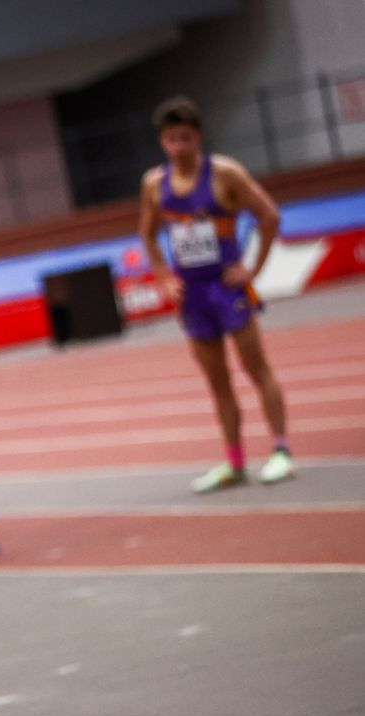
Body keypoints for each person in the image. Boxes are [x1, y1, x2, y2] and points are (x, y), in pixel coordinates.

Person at [139, 96, 292, 492]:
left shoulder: (225, 174)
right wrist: (161, 275)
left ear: (198, 137)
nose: (178, 147)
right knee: (218, 384)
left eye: (185, 139)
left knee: (257, 370)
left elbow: (269, 215)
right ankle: (234, 462)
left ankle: (280, 452)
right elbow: (147, 232)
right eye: (171, 140)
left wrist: (253, 269)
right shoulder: (155, 184)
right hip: (192, 296)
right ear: (162, 143)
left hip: (227, 289)